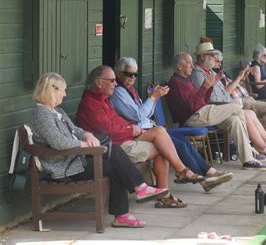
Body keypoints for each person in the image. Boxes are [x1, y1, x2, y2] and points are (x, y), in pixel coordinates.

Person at [30, 73, 168, 228]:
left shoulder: (57, 112)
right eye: (63, 90)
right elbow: (58, 142)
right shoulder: (41, 115)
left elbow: (75, 129)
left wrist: (87, 135)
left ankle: (124, 213)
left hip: (74, 159)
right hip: (65, 166)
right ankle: (138, 191)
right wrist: (84, 146)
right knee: (115, 153)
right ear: (52, 90)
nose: (65, 94)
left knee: (116, 164)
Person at [77, 65, 202, 208]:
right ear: (99, 82)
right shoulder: (91, 103)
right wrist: (132, 130)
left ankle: (178, 177)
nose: (116, 84)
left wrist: (135, 129)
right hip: (114, 147)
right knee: (162, 148)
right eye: (112, 81)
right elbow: (109, 131)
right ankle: (173, 184)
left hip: (124, 139)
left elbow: (118, 122)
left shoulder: (103, 99)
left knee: (159, 131)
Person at [109, 57, 233, 193]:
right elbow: (138, 116)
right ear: (119, 74)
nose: (133, 78)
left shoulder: (130, 90)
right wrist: (153, 97)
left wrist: (153, 98)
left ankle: (209, 172)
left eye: (135, 75)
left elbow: (146, 114)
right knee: (179, 145)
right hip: (140, 132)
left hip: (151, 128)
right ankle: (204, 179)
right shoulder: (119, 92)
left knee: (184, 142)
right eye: (129, 74)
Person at [167, 52, 266, 170]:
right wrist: (204, 87)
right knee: (237, 108)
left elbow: (202, 101)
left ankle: (248, 160)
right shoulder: (176, 83)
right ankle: (251, 151)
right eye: (189, 63)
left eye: (192, 63)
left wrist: (211, 86)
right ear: (179, 66)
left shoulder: (185, 80)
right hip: (193, 117)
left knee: (235, 121)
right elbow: (192, 107)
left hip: (201, 112)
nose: (192, 66)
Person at [189, 44, 266, 160]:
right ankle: (263, 149)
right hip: (214, 110)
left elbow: (222, 93)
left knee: (249, 113)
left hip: (224, 106)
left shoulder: (210, 72)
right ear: (203, 56)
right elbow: (211, 99)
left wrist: (237, 83)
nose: (215, 59)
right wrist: (231, 101)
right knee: (245, 113)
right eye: (212, 55)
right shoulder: (198, 74)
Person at [212, 51, 266, 136]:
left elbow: (235, 85)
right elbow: (226, 93)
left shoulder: (222, 72)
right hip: (239, 102)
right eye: (217, 61)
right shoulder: (214, 76)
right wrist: (239, 77)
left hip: (248, 97)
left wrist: (243, 77)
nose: (220, 64)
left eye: (221, 62)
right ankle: (259, 142)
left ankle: (265, 141)